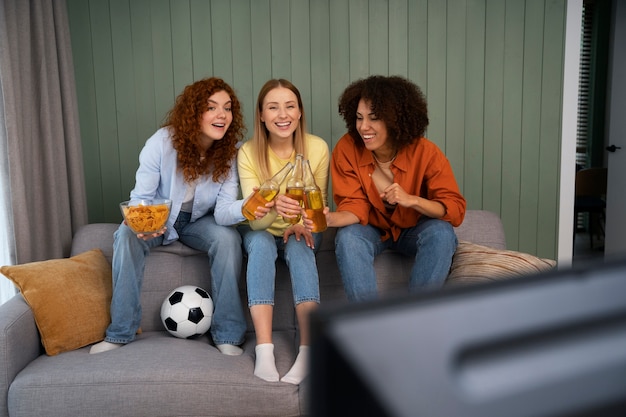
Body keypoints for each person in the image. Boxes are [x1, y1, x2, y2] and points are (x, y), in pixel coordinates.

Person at [90, 77, 248, 356]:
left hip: (200, 222)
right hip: (159, 218)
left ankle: (228, 335)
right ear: (194, 112)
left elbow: (223, 213)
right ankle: (120, 333)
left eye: (227, 108)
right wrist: (138, 221)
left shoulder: (232, 153)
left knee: (227, 239)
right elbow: (141, 196)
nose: (221, 115)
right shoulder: (161, 142)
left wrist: (249, 205)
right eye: (211, 107)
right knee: (125, 235)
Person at [324, 75, 466, 302]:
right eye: (359, 118)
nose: (363, 127)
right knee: (348, 237)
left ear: (394, 120)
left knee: (441, 233)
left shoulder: (426, 152)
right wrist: (329, 219)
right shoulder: (347, 148)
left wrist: (413, 200)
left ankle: (414, 322)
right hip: (371, 230)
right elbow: (354, 206)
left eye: (374, 118)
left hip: (414, 228)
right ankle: (370, 326)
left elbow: (454, 208)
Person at [237, 79, 329, 384]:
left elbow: (317, 207)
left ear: (300, 112)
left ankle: (309, 350)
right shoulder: (248, 153)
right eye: (273, 107)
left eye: (290, 106)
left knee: (300, 246)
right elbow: (254, 221)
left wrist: (301, 223)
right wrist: (276, 206)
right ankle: (264, 351)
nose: (282, 114)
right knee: (262, 243)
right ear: (261, 115)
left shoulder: (316, 148)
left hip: (299, 231)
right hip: (260, 231)